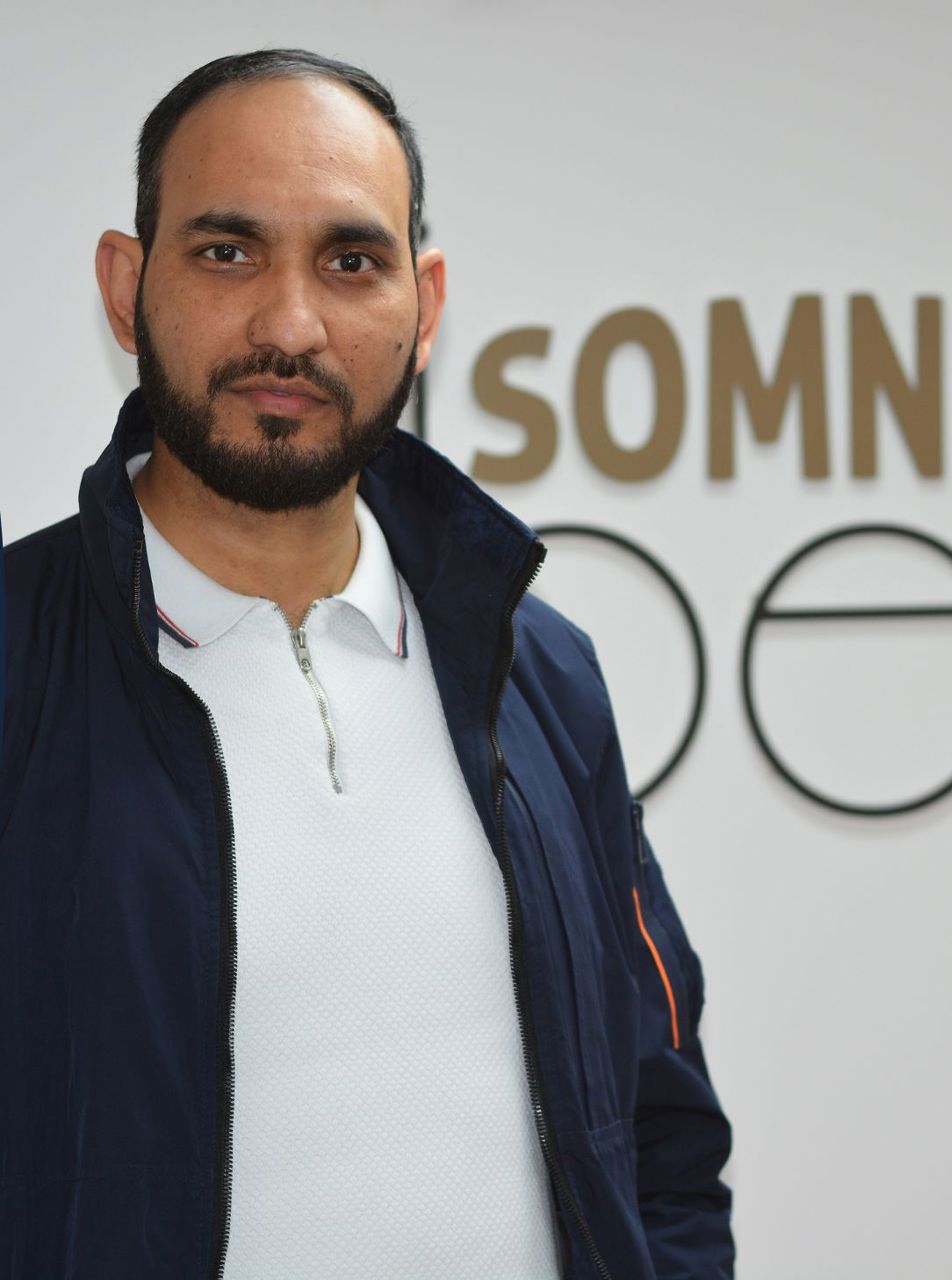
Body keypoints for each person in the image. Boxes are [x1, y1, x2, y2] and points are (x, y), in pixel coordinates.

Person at [0, 49, 732, 1280]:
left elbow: (658, 1125)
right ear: (126, 289)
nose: (289, 325)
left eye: (351, 260)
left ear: (424, 305)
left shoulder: (538, 672)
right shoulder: (16, 660)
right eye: (227, 251)